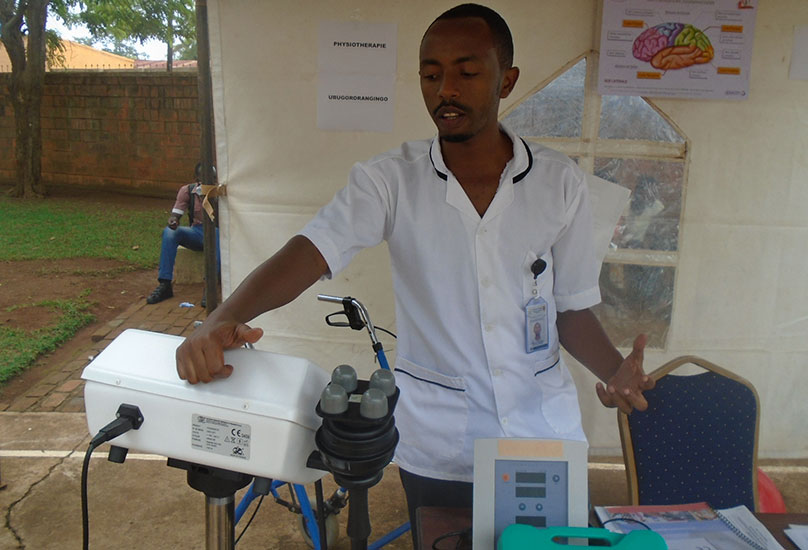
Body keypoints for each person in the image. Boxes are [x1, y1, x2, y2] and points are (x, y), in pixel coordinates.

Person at [175, 3, 654, 543]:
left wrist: (614, 371)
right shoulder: (390, 182)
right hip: (441, 443)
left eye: (468, 72)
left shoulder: (560, 184)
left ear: (507, 80)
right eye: (431, 74)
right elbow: (310, 251)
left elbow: (569, 310)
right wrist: (223, 317)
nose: (446, 89)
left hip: (542, 433)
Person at [146, 164, 218, 306]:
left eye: (213, 177)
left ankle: (210, 288)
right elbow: (176, 214)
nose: (209, 180)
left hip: (218, 232)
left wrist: (213, 196)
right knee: (170, 232)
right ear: (197, 178)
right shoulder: (188, 191)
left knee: (215, 233)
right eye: (205, 177)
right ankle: (165, 284)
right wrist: (173, 221)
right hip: (197, 232)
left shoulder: (221, 192)